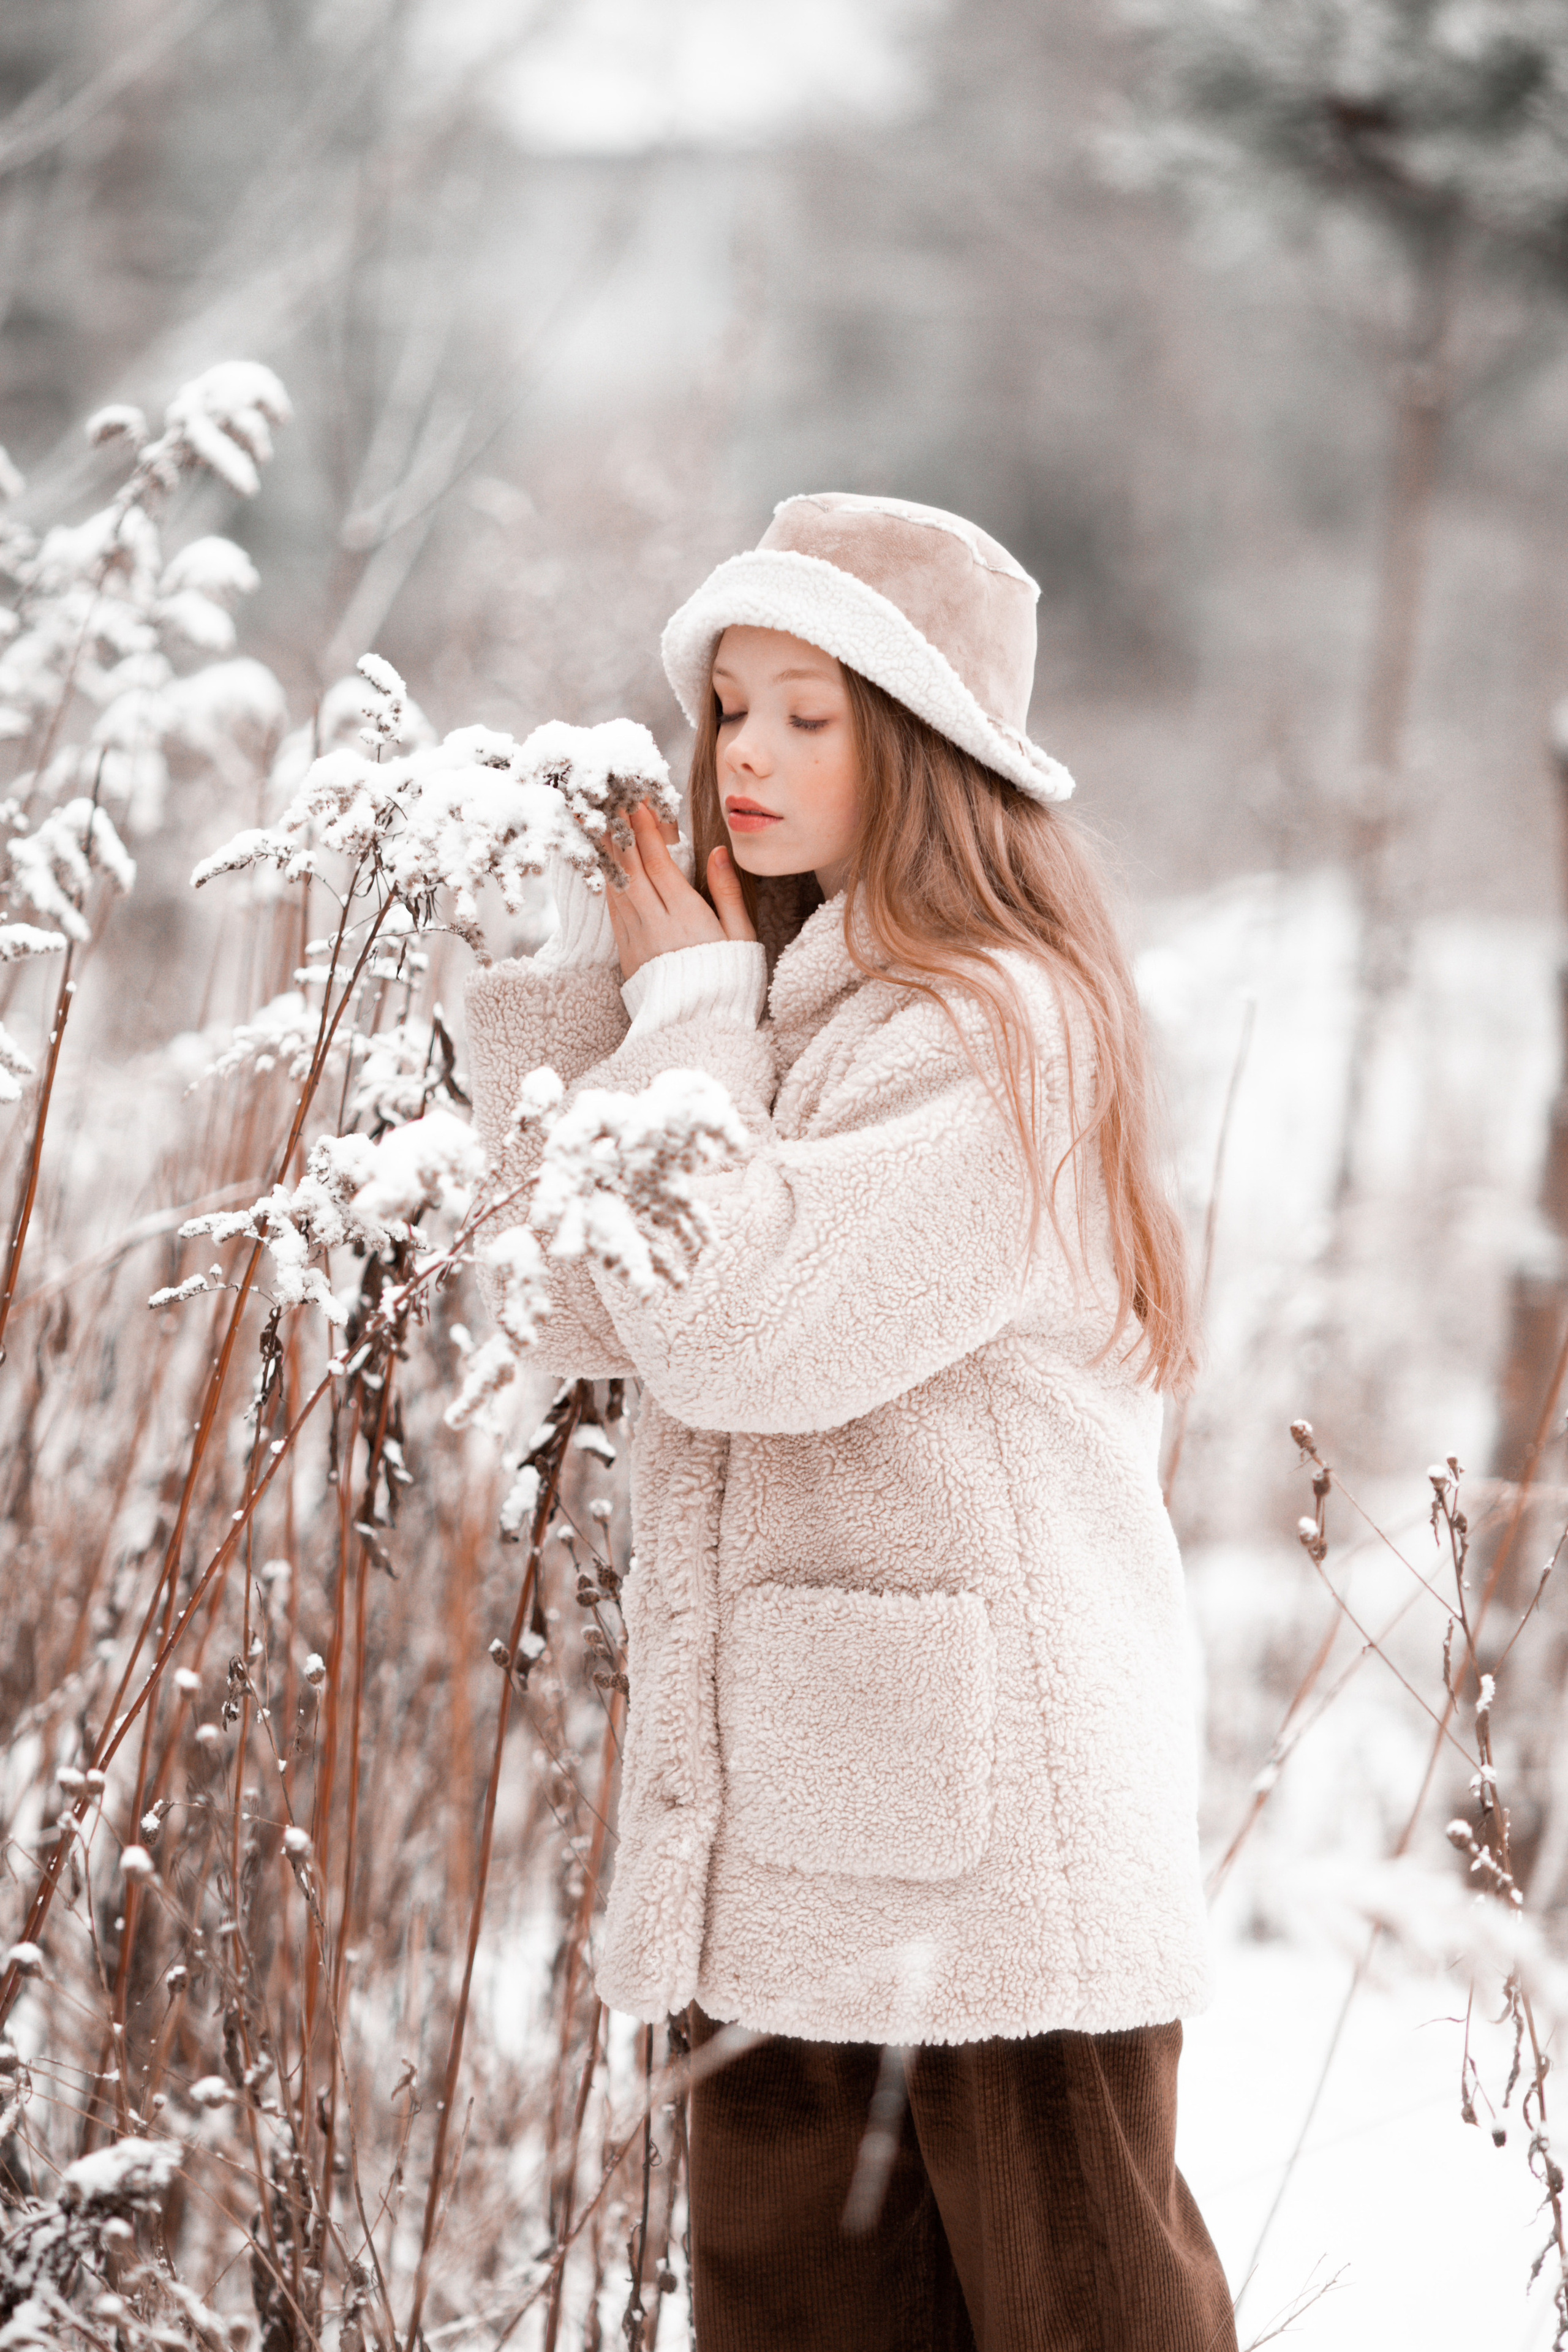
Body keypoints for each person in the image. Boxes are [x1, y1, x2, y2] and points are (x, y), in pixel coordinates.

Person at [466, 492, 1235, 2351]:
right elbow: (580, 1298)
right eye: (733, 707)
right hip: (790, 1842)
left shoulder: (995, 1029)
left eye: (811, 714)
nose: (747, 755)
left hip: (998, 1876)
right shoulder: (779, 1017)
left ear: (923, 748)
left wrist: (687, 1005)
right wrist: (619, 986)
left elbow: (736, 1335)